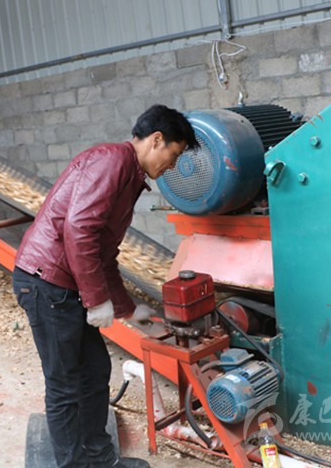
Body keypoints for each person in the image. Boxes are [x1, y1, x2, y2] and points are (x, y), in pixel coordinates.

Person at [12, 104, 198, 468]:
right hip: (47, 282)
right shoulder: (111, 161)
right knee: (65, 384)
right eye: (174, 155)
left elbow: (103, 252)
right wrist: (97, 300)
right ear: (156, 140)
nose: (172, 166)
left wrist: (129, 309)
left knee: (95, 370)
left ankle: (99, 460)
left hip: (64, 284)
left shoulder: (128, 174)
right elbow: (80, 230)